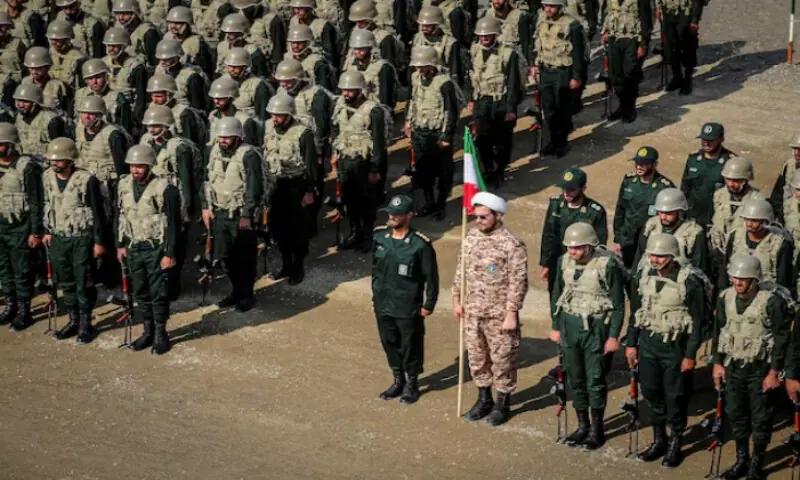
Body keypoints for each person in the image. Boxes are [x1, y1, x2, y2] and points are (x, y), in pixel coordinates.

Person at [626, 233, 706, 467]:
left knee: (675, 396)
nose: (655, 259)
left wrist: (690, 355)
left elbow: (698, 321)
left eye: (661, 256)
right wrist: (631, 343)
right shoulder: (643, 276)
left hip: (675, 346)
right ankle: (659, 439)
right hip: (649, 343)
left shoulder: (689, 281)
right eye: (652, 254)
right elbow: (636, 312)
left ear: (672, 256)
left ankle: (675, 442)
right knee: (650, 391)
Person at [712, 254, 792, 480]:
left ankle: (757, 463)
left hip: (760, 369)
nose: (737, 282)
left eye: (743, 279)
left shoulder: (771, 302)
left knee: (761, 417)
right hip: (733, 366)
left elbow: (781, 338)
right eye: (734, 278)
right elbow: (719, 332)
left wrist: (774, 372)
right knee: (736, 414)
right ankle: (741, 459)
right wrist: (717, 363)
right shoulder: (725, 298)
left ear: (755, 279)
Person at [453, 191, 528, 426]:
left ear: (497, 215)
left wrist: (512, 312)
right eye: (477, 216)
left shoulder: (511, 244)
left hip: (499, 315)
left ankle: (502, 403)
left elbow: (519, 281)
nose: (479, 221)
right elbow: (461, 270)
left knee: (503, 360)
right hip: (473, 311)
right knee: (477, 358)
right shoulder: (471, 237)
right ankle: (483, 399)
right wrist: (456, 297)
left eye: (484, 217)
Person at [549, 222, 624, 449]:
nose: (573, 252)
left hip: (596, 327)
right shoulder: (564, 262)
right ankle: (582, 426)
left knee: (595, 380)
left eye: (578, 248)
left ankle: (596, 430)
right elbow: (556, 295)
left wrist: (613, 336)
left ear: (590, 246)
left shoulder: (607, 265)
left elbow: (619, 304)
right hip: (570, 325)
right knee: (575, 378)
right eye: (570, 248)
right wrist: (556, 326)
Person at [372, 194, 439, 405]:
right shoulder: (380, 238)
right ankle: (397, 379)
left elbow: (431, 277)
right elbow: (375, 269)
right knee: (389, 341)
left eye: (397, 214)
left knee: (410, 345)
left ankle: (412, 383)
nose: (392, 216)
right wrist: (375, 295)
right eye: (390, 212)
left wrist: (429, 304)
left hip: (407, 304)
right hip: (383, 303)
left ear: (409, 215)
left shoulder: (420, 245)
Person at [116, 144, 181, 355]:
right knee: (140, 291)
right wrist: (120, 245)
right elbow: (121, 216)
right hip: (134, 246)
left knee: (158, 292)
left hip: (156, 248)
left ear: (150, 165)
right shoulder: (124, 185)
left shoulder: (165, 188)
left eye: (140, 166)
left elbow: (173, 224)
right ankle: (147, 331)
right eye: (132, 166)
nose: (135, 170)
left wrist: (170, 253)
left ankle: (161, 333)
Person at [42, 137, 107, 344]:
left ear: (70, 160)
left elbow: (98, 214)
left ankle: (86, 323)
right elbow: (47, 204)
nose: (54, 163)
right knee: (66, 282)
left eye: (59, 160)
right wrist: (46, 231)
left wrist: (98, 242)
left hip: (81, 239)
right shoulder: (47, 178)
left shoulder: (87, 180)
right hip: (59, 238)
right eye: (52, 160)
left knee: (84, 282)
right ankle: (73, 320)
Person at [201, 117, 265, 312]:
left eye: (228, 137)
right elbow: (205, 180)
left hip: (240, 215)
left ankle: (246, 294)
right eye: (221, 137)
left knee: (244, 257)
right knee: (225, 256)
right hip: (219, 212)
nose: (223, 141)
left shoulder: (249, 155)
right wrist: (205, 207)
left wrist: (247, 215)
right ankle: (236, 290)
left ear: (238, 137)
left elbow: (254, 187)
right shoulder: (212, 151)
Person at [140, 104, 201, 300]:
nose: (151, 129)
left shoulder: (179, 147)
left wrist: (187, 208)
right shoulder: (145, 143)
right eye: (149, 125)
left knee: (175, 242)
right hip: (152, 198)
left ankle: (173, 283)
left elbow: (186, 179)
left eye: (156, 125)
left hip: (174, 199)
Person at [274, 57, 333, 236]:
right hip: (288, 146)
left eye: (288, 80)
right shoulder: (281, 92)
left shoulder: (316, 94)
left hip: (311, 147)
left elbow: (322, 125)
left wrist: (320, 151)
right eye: (281, 80)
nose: (284, 84)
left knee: (312, 184)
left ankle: (310, 222)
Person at [330, 70, 387, 253]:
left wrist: (375, 168)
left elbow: (379, 141)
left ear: (359, 90)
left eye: (350, 90)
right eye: (344, 90)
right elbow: (336, 130)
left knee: (367, 203)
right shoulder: (339, 105)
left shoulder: (373, 110)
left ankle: (367, 237)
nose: (346, 94)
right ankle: (355, 233)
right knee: (349, 200)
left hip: (364, 161)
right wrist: (334, 154)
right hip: (345, 160)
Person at [262, 92, 316, 284]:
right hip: (275, 184)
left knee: (296, 229)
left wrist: (309, 191)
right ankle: (285, 263)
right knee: (277, 228)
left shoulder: (303, 133)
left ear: (289, 115)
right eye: (272, 115)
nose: (274, 119)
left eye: (279, 115)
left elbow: (311, 164)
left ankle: (297, 266)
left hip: (296, 184)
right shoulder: (268, 127)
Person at [404, 45, 458, 221]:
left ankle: (440, 204)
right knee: (423, 170)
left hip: (437, 134)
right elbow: (413, 100)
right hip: (420, 131)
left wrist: (446, 136)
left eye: (423, 66)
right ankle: (428, 201)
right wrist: (408, 121)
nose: (419, 69)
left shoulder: (444, 83)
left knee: (443, 172)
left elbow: (451, 111)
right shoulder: (415, 79)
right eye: (417, 66)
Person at [467, 16, 522, 186]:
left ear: (495, 35)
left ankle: (500, 170)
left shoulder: (507, 54)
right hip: (482, 101)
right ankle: (488, 168)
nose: (484, 39)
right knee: (482, 139)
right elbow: (471, 77)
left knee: (502, 141)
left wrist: (511, 108)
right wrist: (471, 99)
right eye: (481, 36)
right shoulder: (474, 51)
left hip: (501, 102)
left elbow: (513, 82)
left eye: (488, 35)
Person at [0, 122, 44, 331]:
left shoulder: (27, 166)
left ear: (10, 144)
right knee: (4, 270)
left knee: (22, 271)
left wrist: (35, 231)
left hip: (20, 227)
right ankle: (10, 306)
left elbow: (36, 201)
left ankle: (24, 311)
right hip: (1, 227)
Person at [539, 167, 608, 292]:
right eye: (564, 188)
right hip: (557, 262)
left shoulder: (595, 211)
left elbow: (599, 243)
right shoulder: (555, 204)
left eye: (571, 189)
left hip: (582, 264)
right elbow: (548, 235)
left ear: (583, 188)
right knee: (555, 296)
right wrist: (546, 264)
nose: (566, 192)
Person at [532, 0, 587, 157]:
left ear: (560, 6)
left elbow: (578, 53)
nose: (548, 9)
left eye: (552, 6)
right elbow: (537, 44)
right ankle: (553, 141)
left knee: (562, 109)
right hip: (546, 70)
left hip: (563, 72)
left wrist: (576, 76)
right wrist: (534, 64)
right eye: (546, 6)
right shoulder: (541, 21)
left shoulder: (572, 25)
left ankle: (561, 143)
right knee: (548, 109)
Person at [613, 146, 675, 268]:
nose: (639, 166)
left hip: (650, 240)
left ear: (654, 164)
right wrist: (618, 238)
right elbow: (620, 210)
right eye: (637, 163)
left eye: (644, 164)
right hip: (628, 239)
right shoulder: (628, 181)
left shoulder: (665, 187)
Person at [719, 198, 794, 293]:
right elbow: (725, 268)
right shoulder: (735, 236)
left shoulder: (779, 243)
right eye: (747, 219)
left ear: (765, 221)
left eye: (754, 221)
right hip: (737, 291)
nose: (749, 224)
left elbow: (783, 278)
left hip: (766, 294)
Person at [708, 156, 763, 273]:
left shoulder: (757, 201)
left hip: (742, 255)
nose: (731, 184)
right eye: (728, 179)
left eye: (736, 181)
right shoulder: (719, 195)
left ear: (746, 179)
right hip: (718, 250)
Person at [600, 0, 651, 123]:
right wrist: (604, 31)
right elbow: (605, 12)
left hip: (632, 39)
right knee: (615, 76)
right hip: (614, 38)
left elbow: (646, 19)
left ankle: (629, 108)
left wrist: (643, 44)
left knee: (630, 74)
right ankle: (623, 105)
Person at [633, 188, 708, 272]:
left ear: (680, 212)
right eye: (661, 212)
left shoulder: (693, 233)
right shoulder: (651, 226)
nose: (663, 217)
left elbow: (700, 267)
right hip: (649, 280)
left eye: (668, 213)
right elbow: (639, 255)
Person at [680, 122, 736, 227]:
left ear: (721, 139)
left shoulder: (731, 162)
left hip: (718, 219)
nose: (706, 143)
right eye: (704, 140)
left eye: (711, 140)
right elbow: (685, 188)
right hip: (693, 218)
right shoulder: (693, 159)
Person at [101, 27, 148, 128]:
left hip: (129, 112)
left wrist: (137, 119)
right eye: (109, 45)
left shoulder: (135, 67)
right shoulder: (102, 64)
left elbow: (141, 96)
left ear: (124, 46)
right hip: (107, 109)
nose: (110, 49)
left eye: (115, 46)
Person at [146, 73, 208, 147]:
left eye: (159, 96)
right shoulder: (152, 108)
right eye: (153, 96)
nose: (155, 100)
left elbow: (189, 144)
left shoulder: (184, 113)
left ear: (170, 95)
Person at [656, 0, 704, 95]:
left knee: (688, 47)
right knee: (670, 47)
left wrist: (695, 19)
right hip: (668, 11)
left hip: (686, 12)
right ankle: (677, 77)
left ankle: (687, 79)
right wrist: (658, 7)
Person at [412, 6, 467, 88]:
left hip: (442, 82)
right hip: (421, 82)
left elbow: (455, 70)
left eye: (427, 26)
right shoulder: (417, 39)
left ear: (436, 26)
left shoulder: (450, 43)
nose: (424, 28)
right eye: (422, 25)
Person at [342, 29, 397, 110]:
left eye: (362, 49)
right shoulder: (350, 64)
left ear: (370, 48)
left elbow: (385, 99)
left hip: (375, 110)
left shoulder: (383, 67)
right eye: (355, 49)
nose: (357, 52)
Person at [73, 58, 134, 131]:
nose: (94, 82)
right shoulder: (81, 95)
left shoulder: (117, 98)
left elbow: (124, 127)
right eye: (90, 78)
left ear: (106, 76)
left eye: (98, 77)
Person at [229, 0, 287, 74]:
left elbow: (278, 49)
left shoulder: (272, 20)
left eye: (247, 8)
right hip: (243, 61)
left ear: (255, 5)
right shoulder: (241, 14)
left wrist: (276, 70)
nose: (244, 11)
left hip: (264, 63)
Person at [344, 0, 405, 70]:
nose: (358, 25)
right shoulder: (353, 32)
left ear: (370, 19)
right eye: (356, 22)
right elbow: (346, 57)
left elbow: (388, 67)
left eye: (361, 21)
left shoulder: (384, 38)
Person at [13, 83, 69, 157]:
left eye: (25, 102)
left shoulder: (52, 121)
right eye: (18, 101)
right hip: (26, 162)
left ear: (35, 103)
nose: (21, 105)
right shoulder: (19, 117)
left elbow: (61, 151)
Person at [153, 38, 209, 112]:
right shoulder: (159, 70)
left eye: (167, 59)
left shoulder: (192, 77)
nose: (162, 62)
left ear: (176, 57)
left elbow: (197, 108)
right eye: (160, 59)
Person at [207, 76, 263, 147]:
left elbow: (250, 149)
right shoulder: (213, 117)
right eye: (214, 98)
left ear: (230, 98)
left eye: (220, 98)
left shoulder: (245, 121)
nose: (216, 101)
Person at [222, 47, 274, 122]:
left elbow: (263, 116)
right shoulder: (222, 81)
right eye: (230, 66)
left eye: (236, 67)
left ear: (245, 68)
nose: (232, 69)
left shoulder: (257, 85)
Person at [163, 6, 214, 79]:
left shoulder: (197, 44)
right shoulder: (167, 38)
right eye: (171, 22)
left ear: (187, 24)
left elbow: (205, 71)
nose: (173, 26)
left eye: (178, 23)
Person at [216, 13, 271, 78]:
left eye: (231, 33)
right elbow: (219, 71)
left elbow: (261, 76)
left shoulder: (254, 53)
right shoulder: (222, 47)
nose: (227, 36)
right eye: (227, 32)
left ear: (241, 34)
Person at [285, 23, 335, 92]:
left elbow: (324, 90)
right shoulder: (287, 58)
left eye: (299, 43)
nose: (295, 46)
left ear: (307, 43)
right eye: (293, 43)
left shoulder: (317, 62)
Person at [288, 0, 339, 68]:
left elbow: (330, 55)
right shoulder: (293, 21)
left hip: (316, 64)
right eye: (295, 8)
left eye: (301, 8)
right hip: (296, 60)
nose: (297, 11)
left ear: (309, 9)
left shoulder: (322, 26)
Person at [21, 46, 71, 113]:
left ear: (47, 67)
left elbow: (67, 109)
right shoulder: (25, 82)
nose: (34, 71)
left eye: (38, 68)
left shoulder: (57, 85)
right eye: (31, 68)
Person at [111, 0, 161, 67]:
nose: (121, 17)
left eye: (125, 13)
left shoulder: (148, 33)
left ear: (134, 14)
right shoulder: (120, 28)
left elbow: (154, 63)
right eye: (118, 14)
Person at [46, 19, 87, 89]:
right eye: (51, 39)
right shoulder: (48, 54)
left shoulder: (78, 58)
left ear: (67, 39)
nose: (53, 42)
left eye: (57, 40)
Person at [770, 134, 800, 219]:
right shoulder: (789, 166)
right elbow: (777, 195)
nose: (797, 153)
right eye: (795, 149)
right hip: (788, 217)